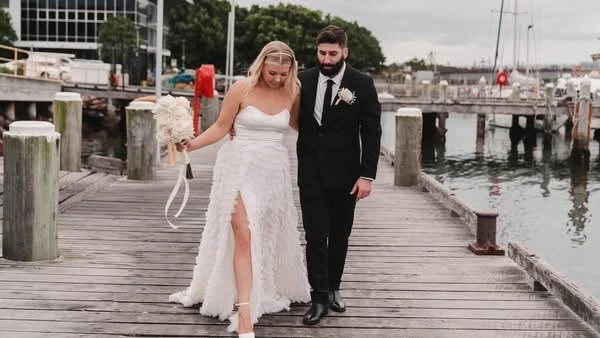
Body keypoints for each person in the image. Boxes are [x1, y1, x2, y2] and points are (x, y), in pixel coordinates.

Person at [169, 41, 311, 337]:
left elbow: (302, 128)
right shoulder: (241, 88)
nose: (277, 79)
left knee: (260, 234)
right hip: (237, 166)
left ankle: (251, 291)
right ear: (262, 65)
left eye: (283, 74)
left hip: (272, 172)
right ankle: (245, 312)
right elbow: (221, 127)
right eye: (273, 72)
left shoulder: (293, 92)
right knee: (243, 231)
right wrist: (191, 145)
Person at [296, 25, 382, 325]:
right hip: (310, 173)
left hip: (348, 176)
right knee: (316, 235)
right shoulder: (302, 80)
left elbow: (372, 133)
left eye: (333, 53)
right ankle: (317, 297)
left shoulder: (362, 83)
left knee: (340, 235)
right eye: (322, 53)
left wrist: (367, 176)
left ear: (345, 52)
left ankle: (334, 287)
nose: (327, 59)